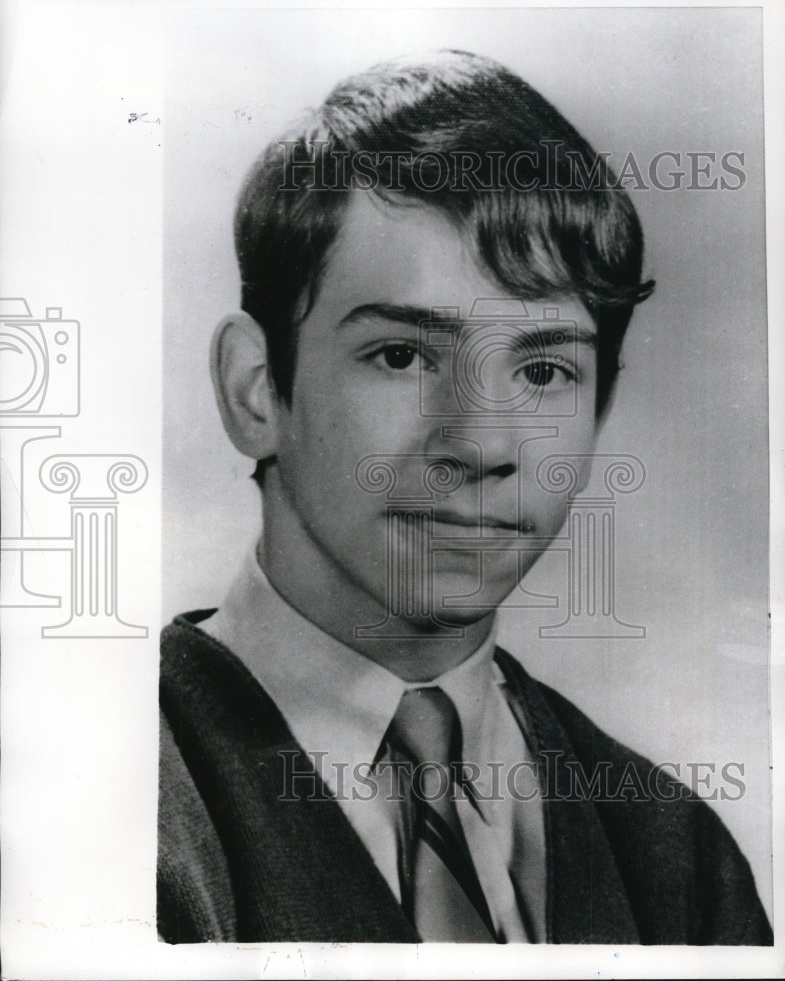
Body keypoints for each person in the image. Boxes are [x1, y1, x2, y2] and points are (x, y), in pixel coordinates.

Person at [157, 49, 772, 945]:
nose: (481, 444)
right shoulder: (92, 803)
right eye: (401, 356)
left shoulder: (673, 857)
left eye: (542, 369)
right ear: (257, 390)